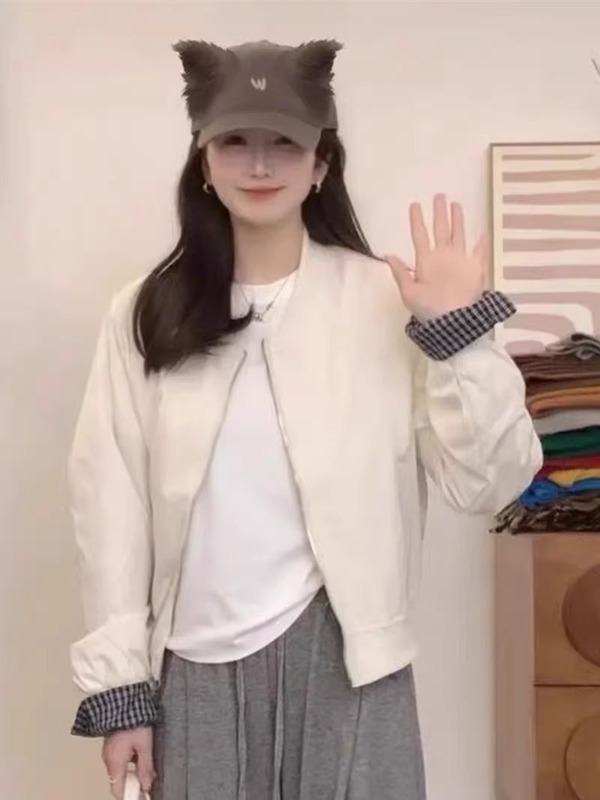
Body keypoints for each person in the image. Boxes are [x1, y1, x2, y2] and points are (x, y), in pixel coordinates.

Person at [68, 38, 542, 800]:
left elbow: (490, 482)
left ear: (321, 164)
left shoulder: (385, 301)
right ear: (203, 161)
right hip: (192, 666)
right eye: (236, 141)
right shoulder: (144, 313)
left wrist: (458, 336)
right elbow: (109, 505)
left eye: (285, 143)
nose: (260, 164)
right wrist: (121, 688)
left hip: (349, 661)